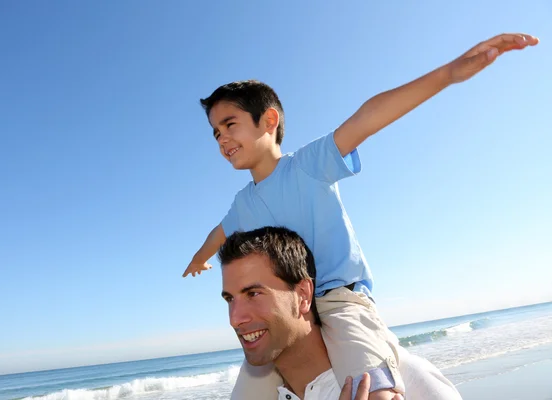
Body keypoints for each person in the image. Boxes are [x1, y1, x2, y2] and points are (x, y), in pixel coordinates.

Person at [184, 33, 539, 399]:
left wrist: (447, 74)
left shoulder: (307, 166)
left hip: (339, 299)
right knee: (246, 389)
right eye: (215, 133)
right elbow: (220, 233)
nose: (221, 139)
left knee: (370, 388)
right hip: (290, 312)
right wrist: (199, 258)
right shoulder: (243, 202)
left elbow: (365, 119)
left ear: (269, 120)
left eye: (230, 125)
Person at [218, 226, 462, 399]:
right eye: (230, 299)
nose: (235, 318)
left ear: (303, 295)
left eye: (254, 294)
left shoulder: (401, 383)